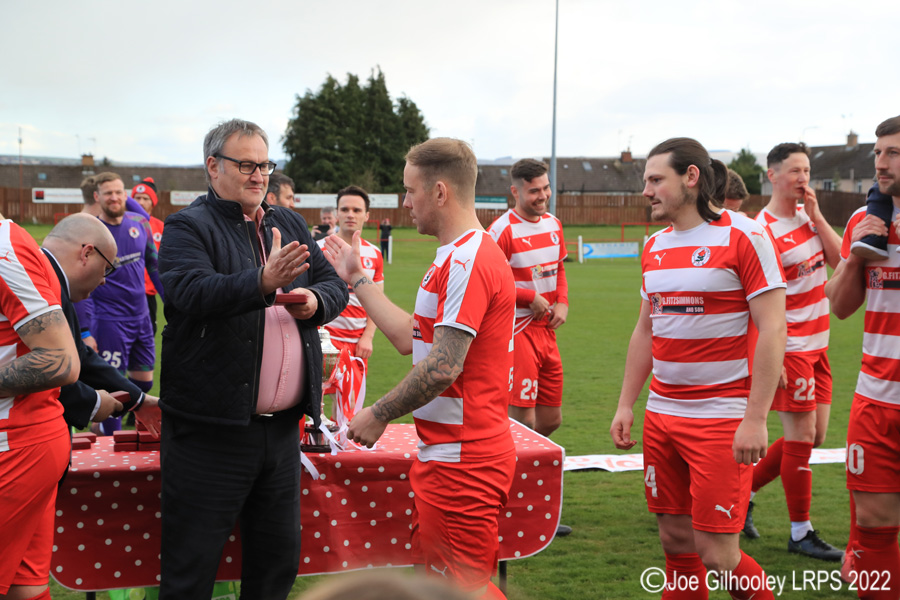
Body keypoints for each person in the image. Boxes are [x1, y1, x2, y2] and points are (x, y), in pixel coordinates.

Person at [157, 118, 347, 600]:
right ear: (212, 166)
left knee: (275, 569)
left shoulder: (288, 221)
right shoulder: (186, 226)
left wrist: (313, 299)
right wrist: (262, 283)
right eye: (246, 164)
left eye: (264, 164)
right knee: (190, 573)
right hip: (210, 433)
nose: (258, 175)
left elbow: (334, 285)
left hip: (281, 433)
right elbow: (189, 291)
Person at [323, 137, 516, 599]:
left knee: (460, 591)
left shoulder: (469, 258)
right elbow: (411, 336)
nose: (404, 202)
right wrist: (357, 278)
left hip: (464, 461)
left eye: (410, 191)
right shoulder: (453, 254)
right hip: (451, 457)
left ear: (440, 193)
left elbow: (444, 366)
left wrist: (380, 411)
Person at [610, 137, 786, 600]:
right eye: (644, 181)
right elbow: (646, 331)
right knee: (675, 544)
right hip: (662, 416)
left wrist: (755, 417)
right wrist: (627, 403)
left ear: (691, 177)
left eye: (655, 180)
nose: (646, 191)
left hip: (721, 420)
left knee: (718, 556)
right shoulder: (653, 247)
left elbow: (772, 328)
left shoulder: (744, 234)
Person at [742, 143, 844, 560]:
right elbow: (755, 302)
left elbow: (843, 262)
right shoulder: (762, 230)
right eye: (794, 171)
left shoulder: (807, 218)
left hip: (820, 346)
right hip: (794, 348)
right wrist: (774, 356)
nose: (803, 178)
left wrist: (818, 218)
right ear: (772, 175)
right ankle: (801, 532)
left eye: (806, 170)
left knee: (814, 437)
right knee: (801, 436)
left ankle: (742, 492)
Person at [825, 115, 900, 596]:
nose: (880, 162)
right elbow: (841, 306)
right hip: (875, 400)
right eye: (877, 152)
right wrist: (857, 253)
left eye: (892, 152)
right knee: (873, 524)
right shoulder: (864, 220)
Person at [0, 218, 80, 600]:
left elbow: (62, 359)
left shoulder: (4, 250)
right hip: (24, 442)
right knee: (25, 590)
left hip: (15, 446)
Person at [41, 213, 162, 436]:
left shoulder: (49, 280)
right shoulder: (40, 287)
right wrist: (94, 403)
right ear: (86, 253)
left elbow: (78, 355)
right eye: (107, 268)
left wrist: (139, 401)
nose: (104, 280)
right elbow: (41, 371)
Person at [488, 159, 568, 438]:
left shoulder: (554, 224)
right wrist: (528, 297)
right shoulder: (501, 230)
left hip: (546, 329)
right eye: (534, 191)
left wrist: (563, 302)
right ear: (516, 192)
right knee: (522, 420)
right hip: (517, 331)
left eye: (546, 188)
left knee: (551, 419)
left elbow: (558, 267)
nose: (543, 196)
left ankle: (528, 461)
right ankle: (515, 473)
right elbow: (490, 284)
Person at [89, 172, 163, 435]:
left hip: (141, 317)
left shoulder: (139, 224)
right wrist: (86, 330)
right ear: (97, 197)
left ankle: (105, 427)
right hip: (110, 321)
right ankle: (110, 443)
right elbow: (82, 288)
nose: (114, 197)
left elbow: (154, 267)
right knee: (115, 391)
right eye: (108, 193)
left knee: (144, 383)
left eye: (119, 192)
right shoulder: (92, 231)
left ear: (125, 195)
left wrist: (171, 304)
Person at [316, 185, 383, 369]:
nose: (350, 214)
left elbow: (377, 302)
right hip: (323, 339)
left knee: (350, 399)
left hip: (357, 345)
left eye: (357, 210)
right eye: (345, 209)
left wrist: (368, 337)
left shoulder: (375, 254)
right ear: (337, 213)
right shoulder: (318, 248)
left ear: (367, 215)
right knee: (316, 398)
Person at [132, 177, 165, 335]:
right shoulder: (123, 224)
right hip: (127, 291)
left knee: (148, 334)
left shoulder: (160, 227)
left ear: (153, 202)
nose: (141, 202)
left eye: (145, 198)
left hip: (149, 294)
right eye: (137, 198)